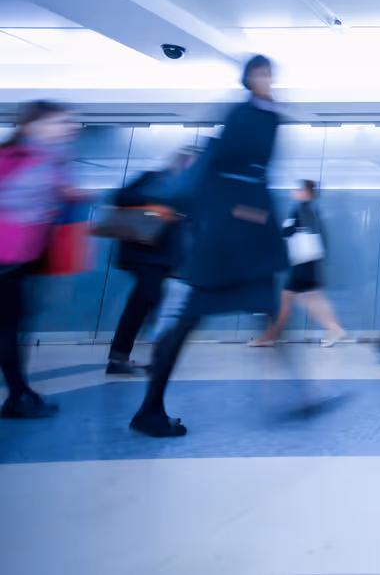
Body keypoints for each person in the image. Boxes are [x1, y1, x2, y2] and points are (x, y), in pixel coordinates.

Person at [131, 55, 301, 437]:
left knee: (268, 310)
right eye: (260, 73)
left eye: (271, 73)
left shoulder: (264, 116)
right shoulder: (244, 117)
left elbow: (247, 176)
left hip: (244, 239)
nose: (268, 80)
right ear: (248, 78)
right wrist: (246, 214)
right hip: (228, 242)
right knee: (190, 320)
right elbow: (224, 172)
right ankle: (150, 408)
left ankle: (301, 395)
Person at [0, 101, 77, 419]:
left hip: (22, 259)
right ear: (33, 126)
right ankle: (18, 395)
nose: (68, 128)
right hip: (6, 257)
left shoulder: (51, 161)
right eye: (60, 122)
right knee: (8, 327)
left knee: (13, 326)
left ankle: (20, 392)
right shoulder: (14, 158)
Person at [105, 147, 198, 375]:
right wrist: (160, 205)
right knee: (145, 300)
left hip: (164, 257)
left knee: (151, 302)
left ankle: (134, 356)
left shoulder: (187, 188)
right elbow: (121, 197)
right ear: (185, 162)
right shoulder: (155, 178)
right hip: (145, 253)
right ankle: (121, 357)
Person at [249, 180, 346, 348]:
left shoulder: (303, 208)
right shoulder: (307, 209)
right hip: (308, 263)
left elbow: (291, 232)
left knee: (294, 298)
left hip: (303, 264)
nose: (294, 190)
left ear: (305, 191)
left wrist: (267, 222)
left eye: (297, 188)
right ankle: (333, 328)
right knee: (308, 298)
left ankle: (271, 336)